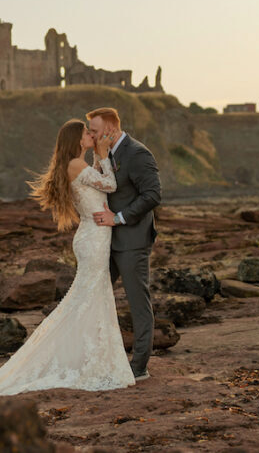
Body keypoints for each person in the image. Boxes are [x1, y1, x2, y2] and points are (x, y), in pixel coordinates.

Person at [0, 119, 135, 402]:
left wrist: (98, 157)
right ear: (76, 139)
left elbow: (98, 187)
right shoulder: (76, 165)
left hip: (94, 235)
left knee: (92, 297)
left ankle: (88, 358)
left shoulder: (79, 166)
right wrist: (103, 153)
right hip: (93, 238)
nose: (91, 135)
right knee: (90, 297)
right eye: (87, 132)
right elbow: (109, 185)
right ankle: (86, 362)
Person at [86, 107, 161, 381]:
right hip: (105, 242)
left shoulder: (138, 153)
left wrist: (118, 218)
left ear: (109, 129)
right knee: (92, 296)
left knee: (137, 303)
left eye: (93, 130)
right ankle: (96, 357)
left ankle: (139, 367)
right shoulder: (104, 154)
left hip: (131, 241)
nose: (90, 135)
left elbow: (153, 195)